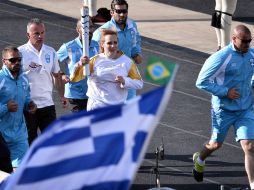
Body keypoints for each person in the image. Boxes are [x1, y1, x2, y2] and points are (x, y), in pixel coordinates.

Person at [193, 25, 254, 190]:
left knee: (249, 145)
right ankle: (200, 159)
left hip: (245, 109)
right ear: (234, 39)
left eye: (250, 41)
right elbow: (201, 82)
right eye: (244, 41)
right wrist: (225, 92)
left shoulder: (251, 54)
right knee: (215, 145)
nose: (248, 44)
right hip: (224, 110)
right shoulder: (221, 57)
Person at [18, 18, 66, 145]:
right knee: (29, 142)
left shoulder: (50, 51)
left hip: (47, 105)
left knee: (50, 142)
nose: (40, 36)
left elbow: (57, 75)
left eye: (42, 33)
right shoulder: (20, 53)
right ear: (28, 35)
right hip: (28, 105)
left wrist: (62, 96)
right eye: (36, 33)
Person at [81, 29, 143, 111]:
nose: (113, 46)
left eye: (115, 42)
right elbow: (75, 77)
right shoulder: (94, 61)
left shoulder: (127, 62)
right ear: (102, 44)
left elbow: (139, 83)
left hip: (116, 108)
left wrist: (125, 81)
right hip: (97, 106)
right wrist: (80, 64)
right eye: (109, 43)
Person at [92, 0, 142, 100]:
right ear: (112, 12)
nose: (122, 14)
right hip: (111, 77)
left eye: (124, 11)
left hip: (128, 72)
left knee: (129, 107)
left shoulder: (132, 25)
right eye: (118, 11)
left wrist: (136, 53)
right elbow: (93, 51)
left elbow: (136, 41)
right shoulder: (103, 31)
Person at [0, 46, 37, 168]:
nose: (17, 63)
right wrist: (6, 107)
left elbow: (26, 98)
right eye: (12, 60)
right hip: (1, 136)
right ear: (4, 61)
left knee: (21, 171)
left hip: (19, 134)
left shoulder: (24, 78)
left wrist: (29, 105)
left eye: (19, 59)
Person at [57, 18, 99, 112]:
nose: (89, 30)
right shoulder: (68, 47)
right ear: (78, 30)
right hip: (75, 95)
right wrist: (62, 74)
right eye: (85, 28)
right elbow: (52, 62)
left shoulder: (97, 45)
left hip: (93, 93)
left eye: (91, 27)